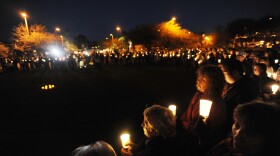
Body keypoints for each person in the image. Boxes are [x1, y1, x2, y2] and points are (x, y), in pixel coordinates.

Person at [180, 64, 228, 154]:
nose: (198, 81)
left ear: (213, 83)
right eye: (199, 77)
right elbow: (187, 115)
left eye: (203, 79)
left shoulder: (212, 101)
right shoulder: (199, 94)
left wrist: (179, 125)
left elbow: (200, 129)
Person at [207, 101, 280, 156]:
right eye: (237, 125)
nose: (237, 136)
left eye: (251, 133)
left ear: (271, 139)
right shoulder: (226, 144)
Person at [121, 105, 194, 156]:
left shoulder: (158, 149)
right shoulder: (160, 138)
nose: (142, 124)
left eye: (146, 122)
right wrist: (134, 147)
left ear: (156, 127)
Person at [220, 60, 260, 134]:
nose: (222, 76)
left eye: (223, 72)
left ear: (235, 73)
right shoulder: (233, 85)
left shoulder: (246, 88)